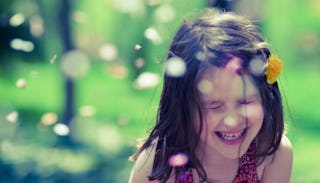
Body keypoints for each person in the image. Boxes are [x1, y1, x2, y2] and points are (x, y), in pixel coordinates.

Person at [128, 9, 293, 183]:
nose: (232, 120)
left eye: (244, 102)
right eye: (214, 106)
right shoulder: (158, 167)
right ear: (183, 105)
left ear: (266, 97)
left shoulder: (272, 155)